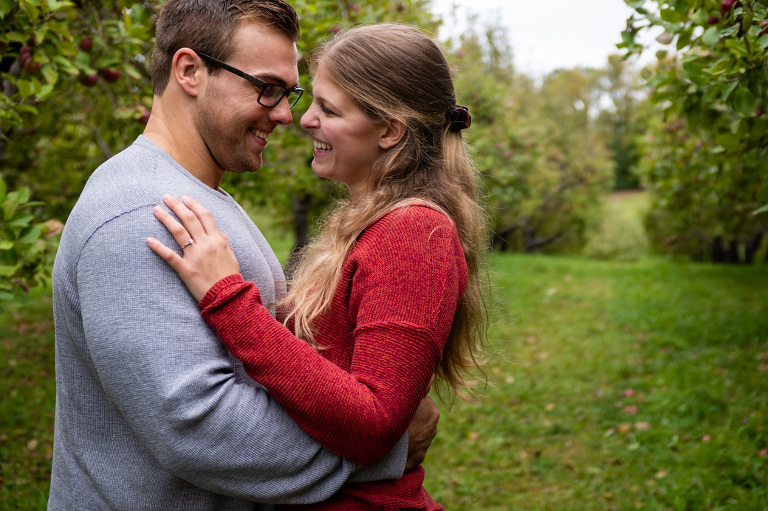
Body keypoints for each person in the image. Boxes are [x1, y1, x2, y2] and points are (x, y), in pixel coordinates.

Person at [49, 2, 439, 509]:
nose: (286, 115)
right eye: (267, 87)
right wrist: (381, 446)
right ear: (189, 70)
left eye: (289, 93)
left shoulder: (194, 195)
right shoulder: (145, 214)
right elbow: (201, 427)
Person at [147, 23, 487, 510]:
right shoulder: (370, 225)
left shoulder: (414, 234)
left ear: (390, 130)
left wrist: (229, 299)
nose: (303, 120)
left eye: (328, 109)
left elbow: (372, 426)